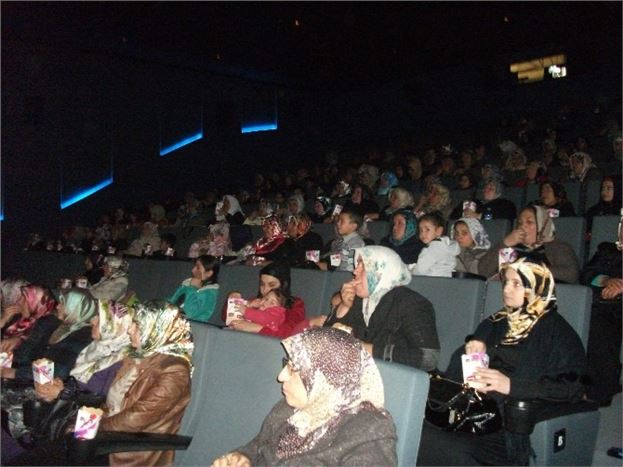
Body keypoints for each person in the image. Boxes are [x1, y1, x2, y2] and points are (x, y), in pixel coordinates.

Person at [417, 259, 587, 466]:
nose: (506, 289)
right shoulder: (499, 320)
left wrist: (510, 385)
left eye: (517, 284)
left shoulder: (559, 333)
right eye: (506, 282)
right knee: (411, 425)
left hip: (507, 426)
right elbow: (482, 333)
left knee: (433, 442)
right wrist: (476, 343)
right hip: (470, 412)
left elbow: (573, 387)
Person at [211, 327, 397, 467]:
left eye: (293, 368)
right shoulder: (288, 408)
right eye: (286, 364)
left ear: (325, 380)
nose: (281, 376)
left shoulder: (368, 430)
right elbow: (258, 446)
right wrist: (243, 458)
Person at [99, 302, 193, 466]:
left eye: (137, 326)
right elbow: (114, 401)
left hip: (130, 450)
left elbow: (137, 418)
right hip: (108, 436)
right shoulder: (138, 355)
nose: (130, 330)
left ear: (157, 330)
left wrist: (96, 427)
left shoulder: (175, 370)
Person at [324, 246, 440, 370]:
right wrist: (344, 306)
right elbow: (326, 341)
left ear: (381, 271)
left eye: (363, 265)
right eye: (357, 264)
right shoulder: (358, 299)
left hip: (396, 377)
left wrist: (366, 349)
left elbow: (428, 358)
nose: (355, 271)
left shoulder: (411, 303)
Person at [1, 288, 96, 381]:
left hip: (46, 384)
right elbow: (28, 351)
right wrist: (10, 355)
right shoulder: (56, 324)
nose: (58, 307)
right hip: (29, 377)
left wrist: (14, 373)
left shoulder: (83, 336)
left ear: (75, 309)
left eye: (63, 304)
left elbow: (60, 371)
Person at [478, 205, 580, 284]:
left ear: (542, 224)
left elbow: (571, 275)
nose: (523, 226)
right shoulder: (511, 247)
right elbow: (483, 271)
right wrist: (504, 243)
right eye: (520, 223)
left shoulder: (557, 246)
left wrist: (530, 269)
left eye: (529, 222)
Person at [580, 221, 622, 406]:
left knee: (601, 328)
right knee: (591, 321)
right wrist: (606, 281)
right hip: (601, 304)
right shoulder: (607, 250)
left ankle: (600, 395)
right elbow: (586, 274)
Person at [227, 261, 306, 339]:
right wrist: (234, 298)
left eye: (272, 285)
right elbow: (227, 317)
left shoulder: (294, 303)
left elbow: (290, 334)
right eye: (262, 284)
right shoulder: (257, 301)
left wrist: (257, 328)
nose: (265, 290)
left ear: (283, 285)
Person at [1, 284, 56, 353]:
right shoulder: (16, 316)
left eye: (24, 299)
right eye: (20, 297)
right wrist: (2, 321)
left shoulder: (41, 327)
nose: (18, 301)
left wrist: (17, 341)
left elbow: (29, 352)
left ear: (35, 305)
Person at [168, 255, 220, 323]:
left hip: (192, 325)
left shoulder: (210, 293)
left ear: (209, 273)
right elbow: (172, 301)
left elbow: (189, 314)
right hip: (173, 320)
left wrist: (193, 288)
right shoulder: (187, 285)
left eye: (198, 268)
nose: (193, 270)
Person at [411, 211, 459, 277]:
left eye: (427, 229)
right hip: (447, 280)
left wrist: (410, 272)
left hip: (431, 280)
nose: (423, 234)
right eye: (421, 230)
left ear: (439, 231)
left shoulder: (431, 249)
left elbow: (419, 271)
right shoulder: (447, 245)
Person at [450, 178, 517, 221]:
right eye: (485, 187)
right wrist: (462, 213)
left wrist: (479, 216)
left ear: (499, 193)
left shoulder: (506, 204)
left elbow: (506, 219)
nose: (485, 190)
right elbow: (452, 217)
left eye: (490, 189)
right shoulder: (474, 202)